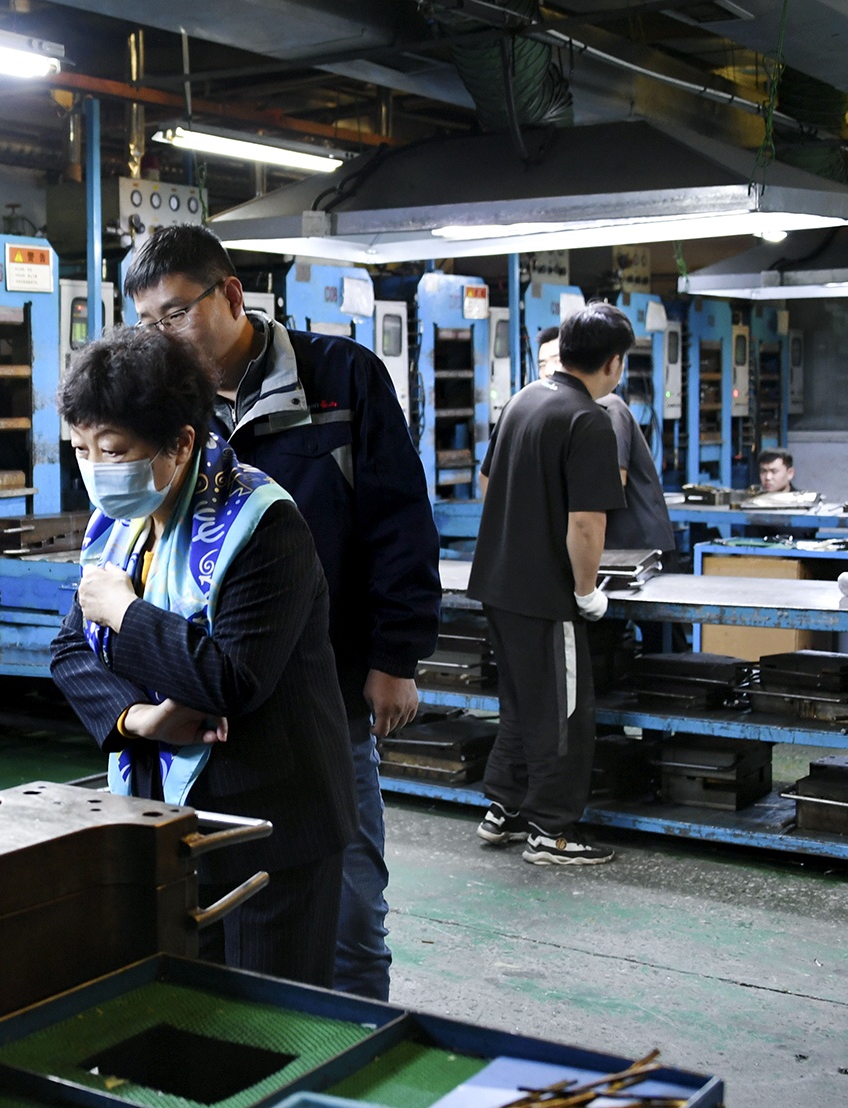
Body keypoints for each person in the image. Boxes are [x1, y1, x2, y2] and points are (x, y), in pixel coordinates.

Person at [123, 226, 439, 1001]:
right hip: (208, 701)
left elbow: (399, 520)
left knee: (349, 911)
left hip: (326, 693)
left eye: (174, 315)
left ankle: (359, 1043)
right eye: (146, 323)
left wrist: (395, 658)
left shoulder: (341, 379)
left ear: (231, 294)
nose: (161, 337)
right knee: (212, 911)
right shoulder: (165, 405)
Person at [49, 326, 356, 988]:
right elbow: (70, 650)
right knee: (188, 1009)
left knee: (269, 1018)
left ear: (181, 442)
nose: (95, 469)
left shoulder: (260, 524)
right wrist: (138, 720)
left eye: (114, 450)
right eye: (80, 449)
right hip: (162, 822)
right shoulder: (118, 527)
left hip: (267, 827)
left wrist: (125, 613)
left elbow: (232, 678)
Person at [471, 302, 629, 865]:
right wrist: (586, 592)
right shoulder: (589, 419)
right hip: (545, 597)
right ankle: (552, 832)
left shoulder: (523, 400)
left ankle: (505, 810)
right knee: (564, 713)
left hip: (499, 585)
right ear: (613, 363)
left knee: (521, 704)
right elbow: (586, 524)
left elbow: (487, 483)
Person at [537, 325, 674, 556]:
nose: (549, 371)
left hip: (640, 547)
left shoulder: (609, 409)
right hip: (608, 546)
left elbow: (614, 481)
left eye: (556, 360)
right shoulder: (567, 415)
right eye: (542, 364)